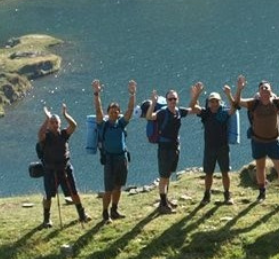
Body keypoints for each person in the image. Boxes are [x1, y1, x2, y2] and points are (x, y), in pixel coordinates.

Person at [227, 73, 279, 207]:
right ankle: (262, 192)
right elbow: (236, 102)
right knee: (260, 168)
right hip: (258, 141)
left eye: (267, 88)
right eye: (262, 88)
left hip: (274, 141)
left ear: (271, 91)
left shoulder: (277, 103)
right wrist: (239, 88)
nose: (265, 90)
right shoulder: (253, 104)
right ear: (259, 92)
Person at [38, 103, 90, 228]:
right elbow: (40, 133)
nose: (55, 124)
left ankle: (82, 214)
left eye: (57, 122)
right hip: (50, 170)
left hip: (65, 169)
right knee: (48, 195)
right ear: (49, 125)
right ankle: (46, 219)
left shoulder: (63, 134)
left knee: (74, 192)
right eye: (52, 122)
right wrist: (47, 118)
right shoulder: (46, 137)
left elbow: (73, 125)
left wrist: (65, 114)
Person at [92, 79, 135, 222]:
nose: (114, 114)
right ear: (108, 112)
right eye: (111, 112)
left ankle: (114, 210)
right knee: (109, 189)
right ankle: (105, 213)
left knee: (118, 186)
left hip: (122, 158)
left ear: (119, 113)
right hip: (109, 159)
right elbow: (98, 110)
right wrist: (96, 94)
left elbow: (130, 111)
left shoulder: (121, 123)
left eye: (116, 112)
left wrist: (132, 94)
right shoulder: (102, 124)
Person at [188, 81, 237, 206]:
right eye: (212, 101)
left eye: (216, 101)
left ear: (220, 102)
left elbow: (234, 107)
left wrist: (229, 94)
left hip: (223, 148)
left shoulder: (223, 113)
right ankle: (207, 194)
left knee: (225, 172)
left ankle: (227, 194)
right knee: (208, 173)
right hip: (209, 149)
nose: (214, 103)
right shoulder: (205, 114)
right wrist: (197, 94)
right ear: (208, 103)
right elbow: (192, 106)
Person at [145, 87, 192, 214]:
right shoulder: (162, 113)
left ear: (177, 100)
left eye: (174, 99)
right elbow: (149, 117)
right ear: (166, 100)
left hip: (175, 147)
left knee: (168, 175)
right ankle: (163, 205)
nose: (172, 101)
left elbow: (192, 110)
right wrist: (153, 102)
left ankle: (164, 201)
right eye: (170, 99)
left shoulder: (178, 111)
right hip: (164, 149)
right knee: (163, 176)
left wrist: (196, 94)